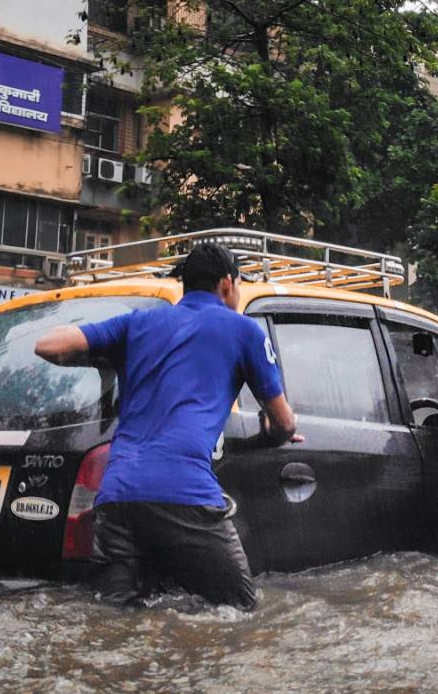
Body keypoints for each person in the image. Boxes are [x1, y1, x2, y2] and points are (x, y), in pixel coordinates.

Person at [34, 243, 299, 609]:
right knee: (240, 613)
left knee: (115, 618)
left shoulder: (137, 323)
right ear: (227, 284)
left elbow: (48, 345)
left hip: (117, 499)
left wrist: (103, 356)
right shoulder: (244, 331)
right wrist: (274, 432)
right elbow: (284, 422)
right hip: (186, 495)